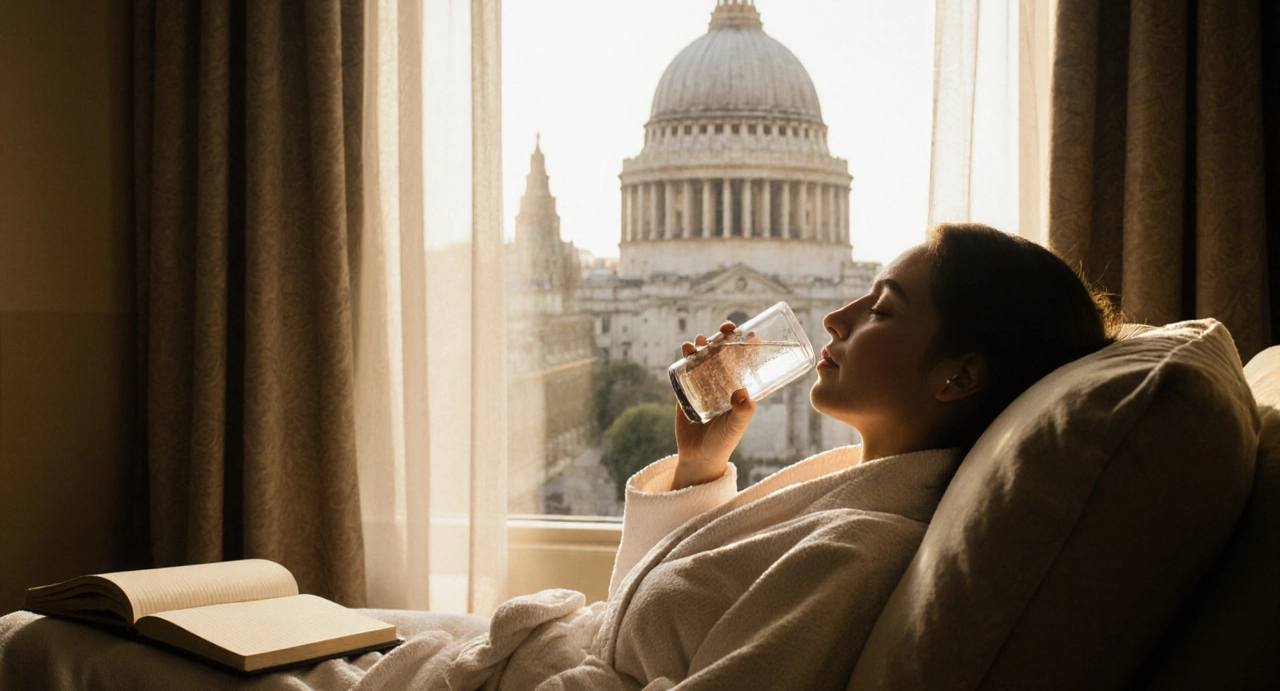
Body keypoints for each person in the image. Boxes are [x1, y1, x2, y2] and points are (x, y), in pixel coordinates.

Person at [353, 223, 1121, 691]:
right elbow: (648, 624)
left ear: (960, 373)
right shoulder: (854, 490)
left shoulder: (865, 545)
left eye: (882, 307)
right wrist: (699, 465)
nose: (835, 315)